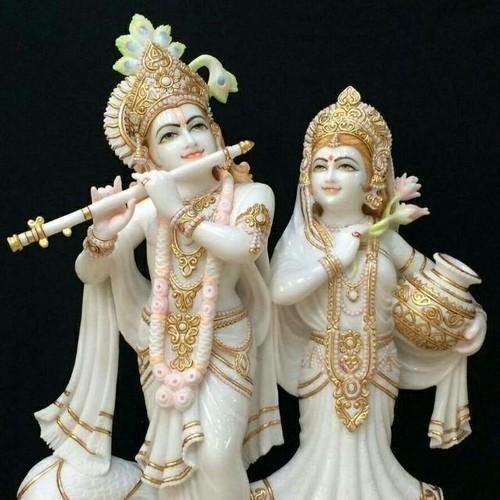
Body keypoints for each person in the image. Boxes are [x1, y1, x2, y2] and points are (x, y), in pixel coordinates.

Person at [18, 14, 281, 500]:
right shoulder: (147, 208)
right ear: (149, 158)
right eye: (170, 135)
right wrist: (102, 233)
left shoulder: (252, 195)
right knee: (176, 465)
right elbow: (88, 273)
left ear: (216, 131)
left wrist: (177, 210)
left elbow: (245, 247)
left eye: (197, 126)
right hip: (159, 345)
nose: (190, 142)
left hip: (224, 338)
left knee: (218, 456)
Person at [250, 86, 486, 500]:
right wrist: (335, 258)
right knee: (321, 457)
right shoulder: (305, 239)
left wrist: (473, 318)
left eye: (345, 165)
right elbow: (280, 291)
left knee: (371, 457)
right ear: (307, 177)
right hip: (321, 367)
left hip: (379, 365)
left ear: (371, 180)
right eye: (320, 165)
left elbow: (432, 281)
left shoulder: (384, 237)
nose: (330, 176)